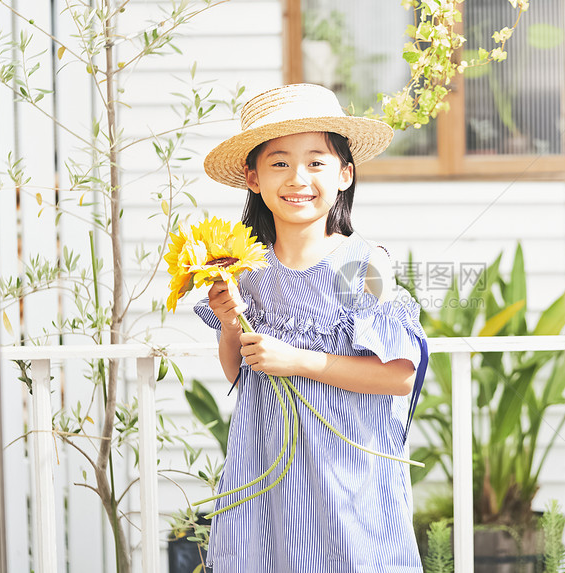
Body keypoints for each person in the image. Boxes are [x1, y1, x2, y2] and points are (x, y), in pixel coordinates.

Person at [193, 83, 427, 572]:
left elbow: (399, 374)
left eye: (316, 162)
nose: (298, 178)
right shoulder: (244, 268)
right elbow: (238, 371)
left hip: (347, 471)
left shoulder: (362, 264)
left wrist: (297, 360)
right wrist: (232, 322)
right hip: (267, 468)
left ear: (344, 175)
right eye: (279, 163)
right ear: (252, 177)